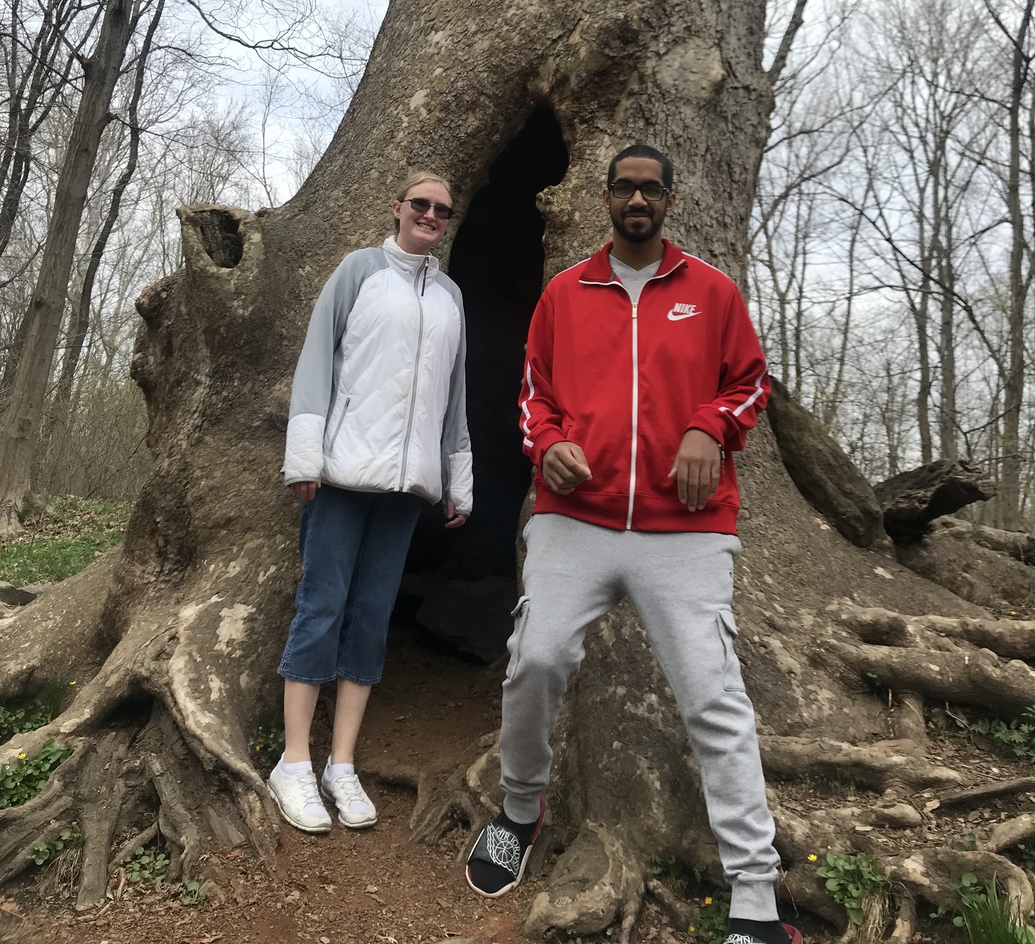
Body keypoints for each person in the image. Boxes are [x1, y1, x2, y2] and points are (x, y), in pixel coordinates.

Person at [465, 146, 801, 944]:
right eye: (626, 187)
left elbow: (748, 382)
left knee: (711, 697)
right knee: (535, 659)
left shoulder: (711, 294)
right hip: (572, 520)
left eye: (652, 188)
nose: (638, 199)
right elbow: (531, 396)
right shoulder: (563, 293)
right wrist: (545, 445)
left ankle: (755, 894)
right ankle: (520, 808)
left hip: (683, 529)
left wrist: (705, 428)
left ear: (670, 201)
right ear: (607, 199)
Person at [268, 173, 473, 834]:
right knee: (321, 605)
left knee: (373, 617)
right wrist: (305, 457)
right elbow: (316, 361)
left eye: (441, 209)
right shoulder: (359, 271)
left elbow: (454, 396)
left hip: (405, 487)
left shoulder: (449, 297)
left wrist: (455, 478)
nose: (430, 215)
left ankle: (341, 764)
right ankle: (294, 763)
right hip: (339, 475)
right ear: (397, 209)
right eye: (420, 204)